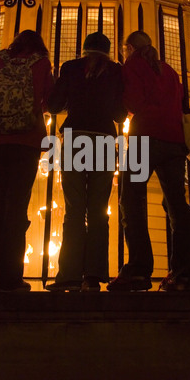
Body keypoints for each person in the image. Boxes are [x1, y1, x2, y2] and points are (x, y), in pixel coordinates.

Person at [107, 31, 190, 292]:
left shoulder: (133, 65)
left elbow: (132, 101)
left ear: (128, 48)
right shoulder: (169, 70)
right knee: (176, 204)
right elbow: (181, 104)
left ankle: (138, 269)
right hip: (174, 141)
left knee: (131, 199)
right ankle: (186, 273)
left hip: (144, 137)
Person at [46, 32, 127, 292]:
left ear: (84, 49)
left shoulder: (70, 67)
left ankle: (68, 275)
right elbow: (120, 113)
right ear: (108, 50)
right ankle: (93, 276)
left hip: (75, 138)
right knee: (98, 211)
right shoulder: (116, 71)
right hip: (103, 140)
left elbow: (55, 105)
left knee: (73, 209)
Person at [0, 30, 54, 292]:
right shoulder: (41, 63)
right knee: (17, 209)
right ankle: (11, 277)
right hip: (26, 141)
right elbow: (48, 99)